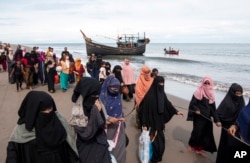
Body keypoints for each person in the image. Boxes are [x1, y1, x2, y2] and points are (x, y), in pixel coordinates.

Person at [6, 91, 79, 163]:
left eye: (50, 108)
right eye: (44, 110)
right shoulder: (21, 130)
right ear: (33, 111)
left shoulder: (59, 120)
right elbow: (12, 154)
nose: (48, 112)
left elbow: (69, 145)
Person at [136, 66, 184, 163]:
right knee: (153, 144)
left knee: (161, 144)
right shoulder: (149, 97)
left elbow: (167, 103)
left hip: (160, 123)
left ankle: (157, 158)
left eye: (163, 84)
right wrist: (144, 124)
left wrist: (176, 111)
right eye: (159, 83)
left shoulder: (162, 94)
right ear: (155, 84)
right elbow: (144, 110)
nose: (161, 85)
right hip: (151, 124)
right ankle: (152, 159)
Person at [71, 77, 112, 163]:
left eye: (98, 95)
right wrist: (96, 112)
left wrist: (100, 112)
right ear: (87, 94)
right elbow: (85, 134)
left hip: (100, 146)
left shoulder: (97, 104)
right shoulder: (78, 111)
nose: (96, 98)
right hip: (86, 148)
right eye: (94, 95)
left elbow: (102, 124)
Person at [187, 76, 221, 157]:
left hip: (207, 118)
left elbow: (213, 110)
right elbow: (193, 104)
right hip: (199, 117)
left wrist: (217, 121)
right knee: (197, 132)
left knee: (206, 134)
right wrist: (196, 109)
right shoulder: (198, 92)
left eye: (208, 83)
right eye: (205, 83)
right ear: (203, 83)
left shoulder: (212, 95)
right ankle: (191, 145)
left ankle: (200, 149)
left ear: (211, 84)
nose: (206, 85)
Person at [216, 83, 245, 163]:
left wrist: (236, 125)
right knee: (224, 147)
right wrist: (218, 121)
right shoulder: (226, 102)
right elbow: (217, 113)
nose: (239, 96)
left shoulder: (242, 103)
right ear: (232, 93)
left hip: (237, 128)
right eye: (237, 94)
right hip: (226, 129)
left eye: (240, 93)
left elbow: (243, 117)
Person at [100, 75, 126, 163]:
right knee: (107, 148)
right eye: (113, 88)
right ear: (107, 86)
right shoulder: (102, 99)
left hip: (118, 127)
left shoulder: (118, 96)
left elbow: (120, 109)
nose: (115, 90)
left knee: (119, 148)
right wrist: (108, 119)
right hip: (107, 129)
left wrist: (121, 117)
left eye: (117, 88)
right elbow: (100, 114)